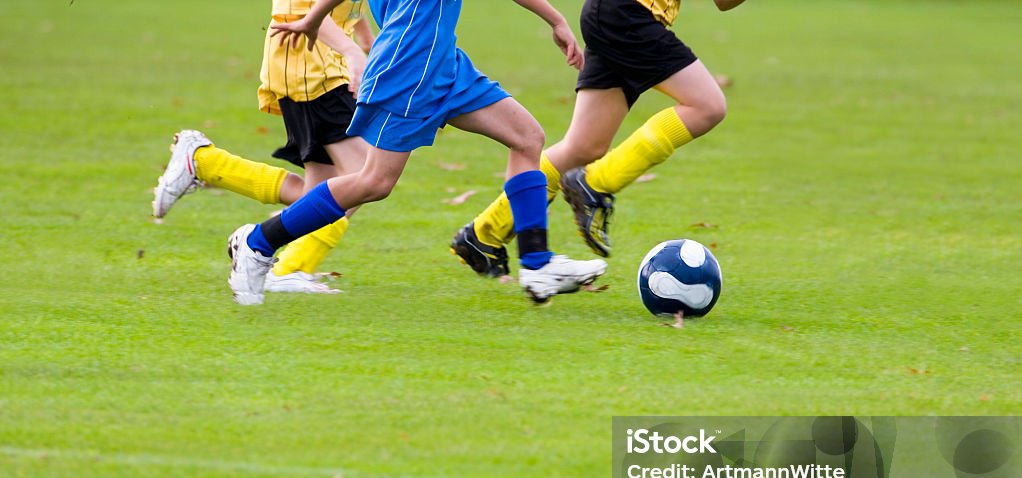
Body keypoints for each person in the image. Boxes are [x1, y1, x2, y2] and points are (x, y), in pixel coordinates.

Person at [227, 0, 607, 306]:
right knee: (373, 182)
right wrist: (314, 18)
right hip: (405, 69)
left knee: (527, 137)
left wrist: (555, 19)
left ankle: (537, 264)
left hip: (444, 65)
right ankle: (258, 243)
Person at [450, 0, 748, 278]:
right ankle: (596, 182)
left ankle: (483, 233)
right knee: (707, 106)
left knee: (583, 147)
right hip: (628, 15)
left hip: (612, 15)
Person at [153, 1, 375, 294]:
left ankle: (205, 162)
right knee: (365, 177)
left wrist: (365, 39)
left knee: (320, 194)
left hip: (324, 66)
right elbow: (300, 8)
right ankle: (279, 260)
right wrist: (351, 50)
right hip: (312, 69)